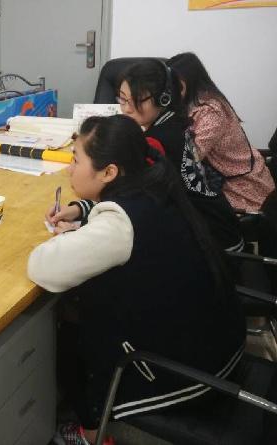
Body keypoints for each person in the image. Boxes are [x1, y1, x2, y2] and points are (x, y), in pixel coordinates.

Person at [29, 115, 245, 445]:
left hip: (185, 376)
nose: (69, 170)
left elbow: (42, 267)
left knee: (74, 319)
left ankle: (92, 432)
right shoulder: (157, 184)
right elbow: (122, 216)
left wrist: (71, 238)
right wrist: (84, 211)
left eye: (76, 160)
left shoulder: (120, 224)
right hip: (221, 346)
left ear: (109, 172)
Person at [116, 58, 244, 251]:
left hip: (212, 244)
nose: (126, 108)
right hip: (222, 223)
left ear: (164, 99)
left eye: (137, 101)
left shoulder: (156, 141)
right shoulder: (176, 122)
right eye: (123, 99)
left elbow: (134, 194)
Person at [167, 52, 274, 212]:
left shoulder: (211, 111)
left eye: (175, 85)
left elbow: (189, 158)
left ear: (189, 81)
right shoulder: (191, 102)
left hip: (241, 187)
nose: (171, 90)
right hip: (218, 178)